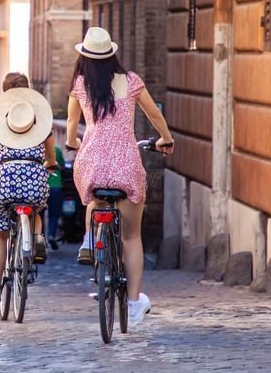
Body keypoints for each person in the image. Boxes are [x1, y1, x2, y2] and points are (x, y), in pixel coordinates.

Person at [66, 27, 174, 325]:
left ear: (84, 56)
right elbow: (154, 115)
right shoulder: (131, 81)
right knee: (131, 235)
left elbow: (73, 125)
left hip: (92, 163)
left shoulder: (80, 84)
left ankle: (90, 239)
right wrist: (165, 137)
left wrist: (73, 143)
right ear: (112, 53)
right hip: (126, 164)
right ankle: (136, 301)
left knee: (94, 196)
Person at [0, 72, 57, 301]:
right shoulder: (40, 120)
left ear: (5, 92)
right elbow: (51, 154)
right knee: (36, 207)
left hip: (5, 179)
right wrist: (51, 163)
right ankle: (37, 237)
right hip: (35, 177)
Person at [45, 145, 66, 250]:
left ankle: (39, 237)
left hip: (41, 186)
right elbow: (62, 166)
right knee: (54, 214)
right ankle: (51, 235)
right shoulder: (57, 149)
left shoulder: (37, 149)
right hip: (56, 186)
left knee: (38, 214)